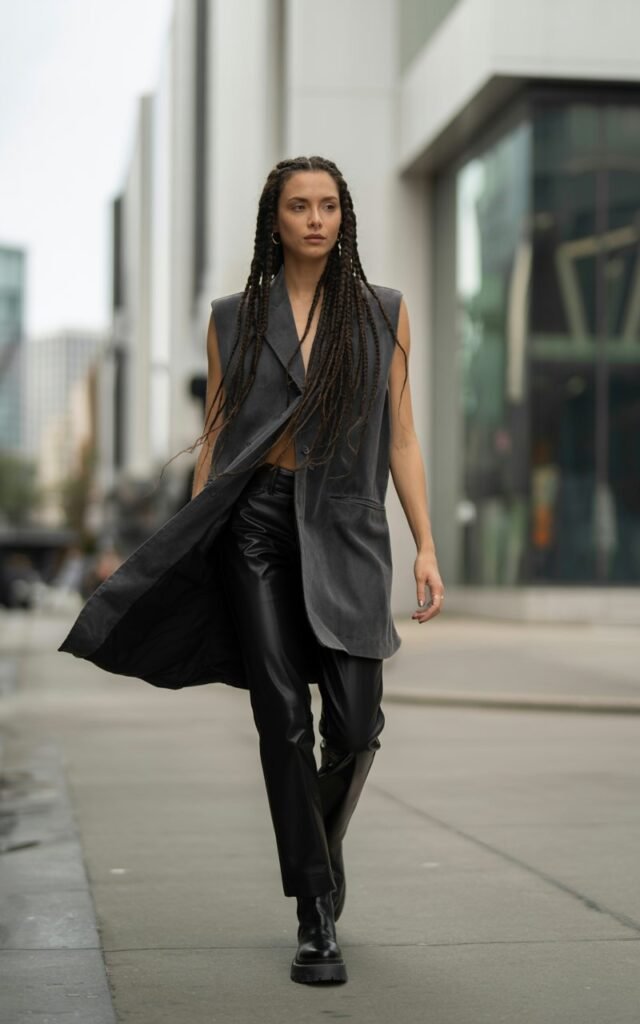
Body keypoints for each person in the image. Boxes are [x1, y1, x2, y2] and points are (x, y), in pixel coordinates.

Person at [58, 154, 444, 987]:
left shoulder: (384, 313)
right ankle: (314, 914)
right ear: (275, 219)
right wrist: (197, 537)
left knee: (354, 724)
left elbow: (402, 435)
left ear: (345, 218)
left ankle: (320, 856)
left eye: (329, 206)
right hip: (256, 526)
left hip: (347, 524)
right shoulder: (234, 316)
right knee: (283, 721)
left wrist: (426, 543)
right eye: (299, 206)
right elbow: (221, 434)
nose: (315, 219)